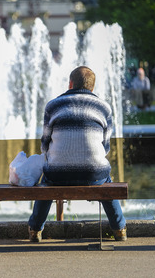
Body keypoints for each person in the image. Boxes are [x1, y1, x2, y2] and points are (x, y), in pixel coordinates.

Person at [27, 66, 127, 242]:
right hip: (93, 174)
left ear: (70, 84)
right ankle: (119, 229)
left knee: (47, 181)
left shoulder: (53, 105)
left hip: (58, 175)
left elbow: (44, 144)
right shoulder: (104, 108)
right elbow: (105, 147)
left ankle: (35, 229)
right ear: (92, 88)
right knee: (106, 181)